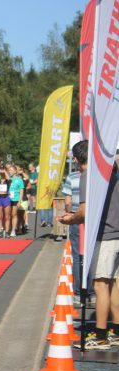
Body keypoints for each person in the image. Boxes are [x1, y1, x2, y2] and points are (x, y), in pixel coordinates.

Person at [59, 140, 119, 349]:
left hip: (106, 235)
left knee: (100, 285)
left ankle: (101, 335)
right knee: (112, 284)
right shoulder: (111, 173)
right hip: (115, 233)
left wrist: (70, 219)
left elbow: (83, 212)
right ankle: (115, 331)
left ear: (75, 160)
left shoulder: (88, 177)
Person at [61, 167, 93, 302]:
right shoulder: (95, 175)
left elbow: (68, 201)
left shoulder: (72, 177)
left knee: (77, 255)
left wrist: (69, 213)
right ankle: (91, 291)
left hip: (75, 217)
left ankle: (78, 292)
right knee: (92, 254)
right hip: (93, 219)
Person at [0, 168, 11, 238]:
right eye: (0, 173)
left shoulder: (8, 180)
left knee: (7, 216)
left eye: (2, 172)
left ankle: (7, 232)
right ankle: (0, 231)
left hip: (6, 198)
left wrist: (5, 171)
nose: (1, 173)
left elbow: (8, 178)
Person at [8, 165, 24, 237]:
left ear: (15, 171)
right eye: (9, 170)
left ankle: (13, 230)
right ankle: (9, 228)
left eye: (11, 170)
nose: (9, 171)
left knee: (14, 214)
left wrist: (19, 201)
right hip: (8, 199)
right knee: (8, 215)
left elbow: (21, 191)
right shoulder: (8, 179)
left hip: (15, 199)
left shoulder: (19, 180)